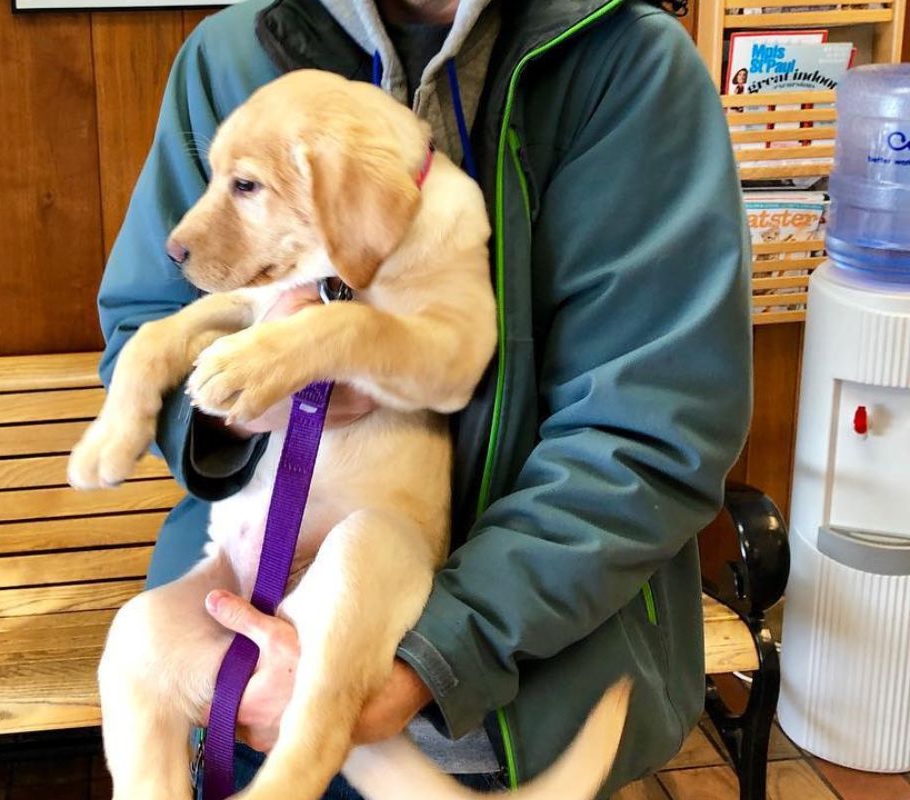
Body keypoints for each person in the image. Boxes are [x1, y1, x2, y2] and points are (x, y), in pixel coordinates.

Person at [94, 0, 752, 794]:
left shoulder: (630, 67)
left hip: (520, 703)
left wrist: (430, 658)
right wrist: (223, 417)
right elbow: (149, 317)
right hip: (239, 655)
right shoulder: (227, 53)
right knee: (138, 647)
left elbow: (650, 431)